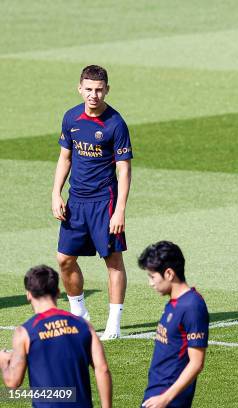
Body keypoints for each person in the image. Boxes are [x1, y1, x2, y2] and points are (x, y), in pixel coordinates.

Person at [52, 65, 133, 340]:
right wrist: (55, 193)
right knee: (64, 259)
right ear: (80, 88)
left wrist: (120, 209)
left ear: (107, 90)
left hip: (104, 202)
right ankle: (80, 315)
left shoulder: (116, 123)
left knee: (112, 261)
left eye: (99, 90)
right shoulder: (71, 117)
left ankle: (114, 323)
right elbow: (65, 158)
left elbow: (124, 169)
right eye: (89, 89)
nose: (94, 95)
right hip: (76, 202)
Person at [0, 265, 112, 408]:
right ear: (58, 292)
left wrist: (3, 361)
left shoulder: (25, 333)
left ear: (28, 294)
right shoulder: (84, 326)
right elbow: (102, 369)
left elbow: (12, 382)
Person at [139, 241, 208, 408]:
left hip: (168, 399)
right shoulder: (174, 302)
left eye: (152, 276)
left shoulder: (192, 306)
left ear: (169, 273)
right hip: (156, 394)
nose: (150, 283)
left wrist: (165, 398)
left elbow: (196, 363)